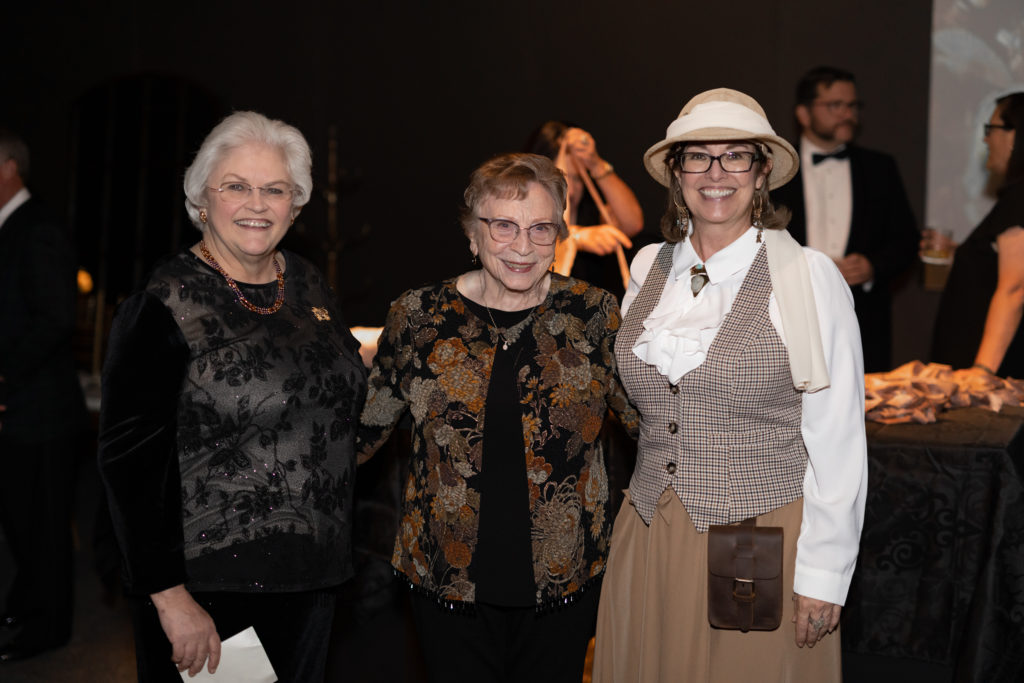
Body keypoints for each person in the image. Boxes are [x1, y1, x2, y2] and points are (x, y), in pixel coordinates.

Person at [593, 88, 867, 682]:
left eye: (736, 156)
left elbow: (839, 440)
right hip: (648, 535)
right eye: (697, 156)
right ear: (676, 171)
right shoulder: (648, 268)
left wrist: (824, 578)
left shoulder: (807, 278)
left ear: (763, 170)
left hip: (756, 536)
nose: (716, 174)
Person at [97, 111, 367, 682]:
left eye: (275, 190)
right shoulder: (164, 303)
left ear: (295, 206)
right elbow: (129, 468)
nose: (258, 204)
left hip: (315, 576)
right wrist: (169, 600)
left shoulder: (309, 283)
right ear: (202, 200)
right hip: (210, 591)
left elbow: (340, 407)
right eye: (237, 187)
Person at [357, 152, 638, 683]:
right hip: (447, 581)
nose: (523, 247)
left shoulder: (593, 314)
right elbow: (366, 428)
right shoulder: (419, 317)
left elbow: (647, 420)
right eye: (504, 226)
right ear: (472, 233)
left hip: (565, 583)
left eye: (540, 229)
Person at [0, 127, 87, 662]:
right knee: (19, 519)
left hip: (41, 412)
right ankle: (25, 602)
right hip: (19, 409)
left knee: (45, 525)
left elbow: (57, 318)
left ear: (9, 167)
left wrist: (3, 378)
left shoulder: (39, 228)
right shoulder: (12, 227)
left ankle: (48, 628)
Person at [770, 66, 919, 372]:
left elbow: (906, 240)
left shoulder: (880, 168)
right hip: (790, 314)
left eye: (852, 106)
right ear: (803, 113)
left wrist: (872, 267)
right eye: (835, 105)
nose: (847, 114)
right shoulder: (775, 173)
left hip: (864, 319)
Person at [930, 92, 1024, 378]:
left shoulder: (1020, 196)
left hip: (992, 374)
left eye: (990, 129)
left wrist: (982, 371)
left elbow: (1015, 289)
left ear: (1015, 136)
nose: (985, 140)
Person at [525, 121, 644, 297]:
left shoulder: (593, 215)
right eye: (558, 180)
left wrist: (595, 164)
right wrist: (576, 238)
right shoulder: (520, 222)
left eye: (577, 179)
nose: (570, 190)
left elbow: (632, 224)